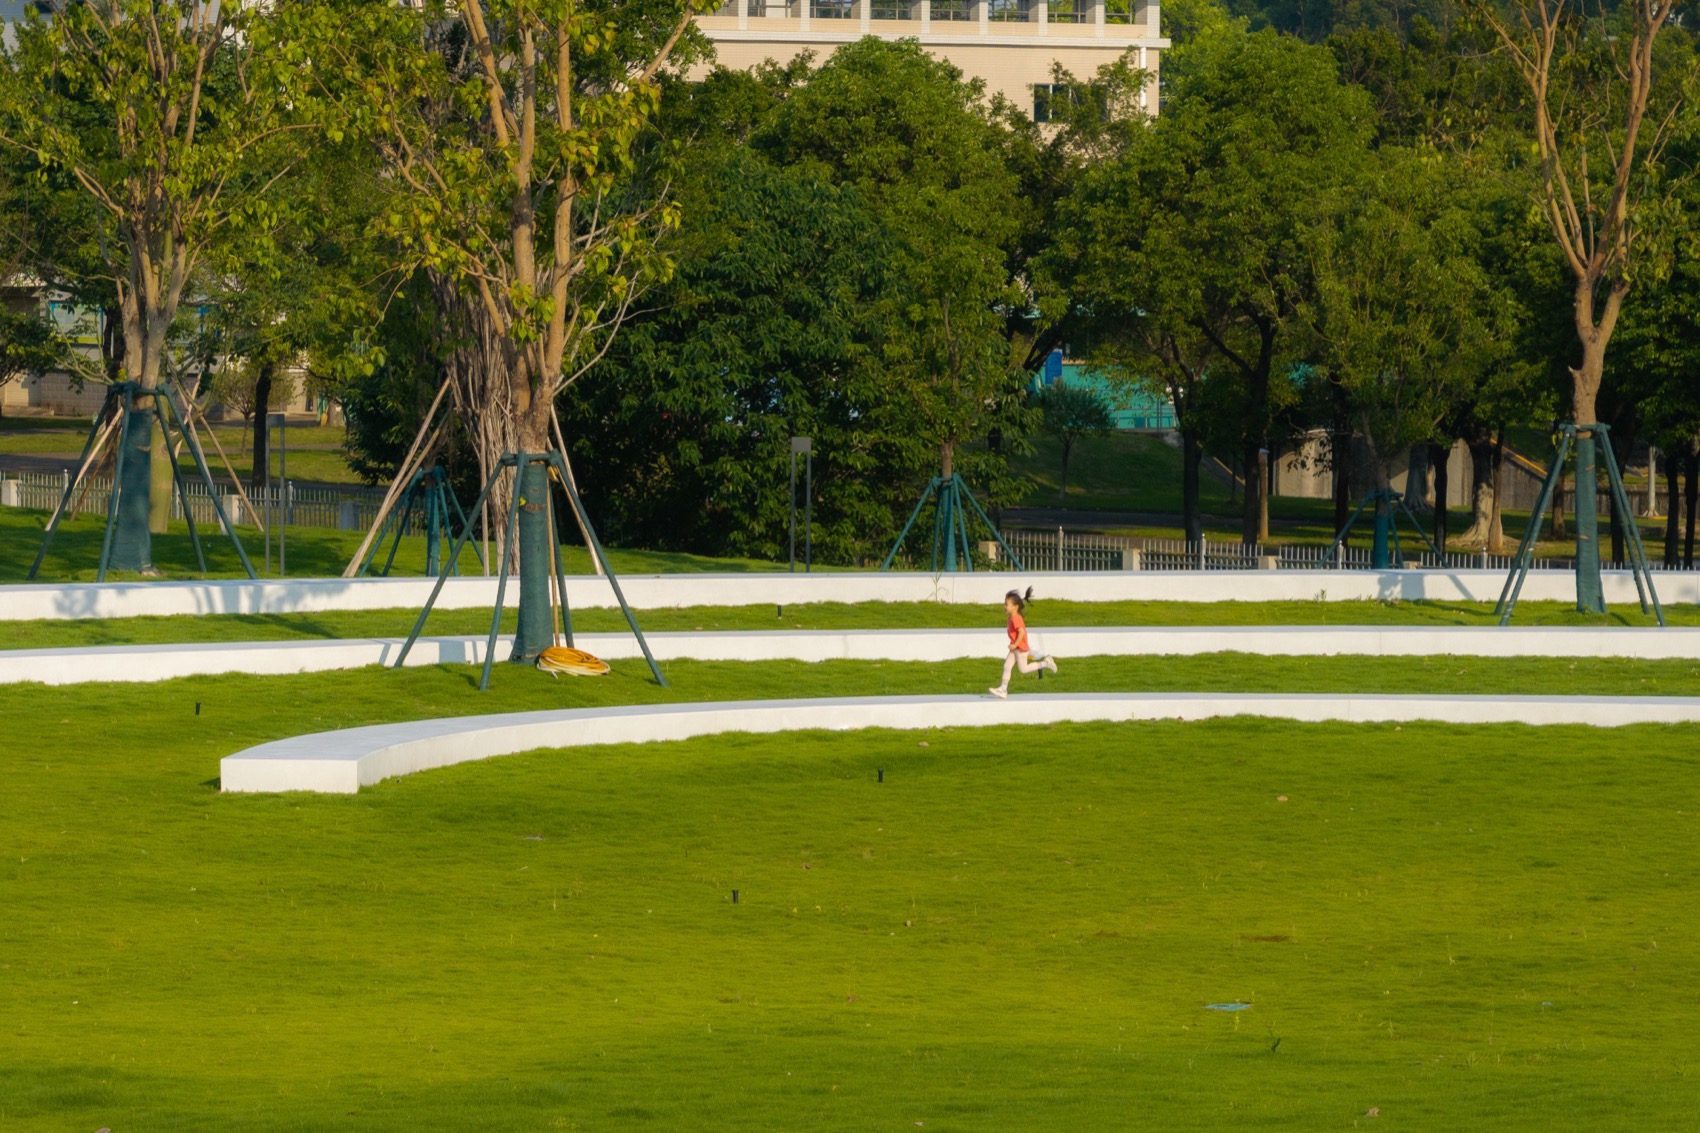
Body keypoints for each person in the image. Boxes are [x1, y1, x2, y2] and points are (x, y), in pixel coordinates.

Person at [988, 586, 1057, 698]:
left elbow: (1021, 632)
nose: (1004, 606)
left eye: (1006, 604)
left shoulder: (1016, 619)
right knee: (1007, 666)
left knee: (1023, 669)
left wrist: (1015, 644)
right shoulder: (1011, 618)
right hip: (1016, 648)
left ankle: (1045, 664)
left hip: (1020, 649)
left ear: (1015, 607)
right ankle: (1003, 689)